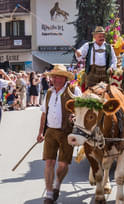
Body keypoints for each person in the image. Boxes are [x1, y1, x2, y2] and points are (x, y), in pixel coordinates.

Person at [36, 64, 82, 204]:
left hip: (67, 132)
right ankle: (49, 194)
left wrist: (75, 117)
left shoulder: (74, 91)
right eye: (54, 77)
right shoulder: (49, 92)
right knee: (49, 162)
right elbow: (44, 113)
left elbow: (82, 111)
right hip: (50, 131)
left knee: (63, 164)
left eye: (59, 77)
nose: (56, 79)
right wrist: (40, 133)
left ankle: (57, 185)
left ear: (64, 78)